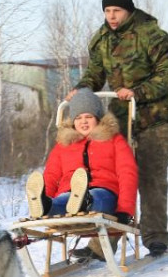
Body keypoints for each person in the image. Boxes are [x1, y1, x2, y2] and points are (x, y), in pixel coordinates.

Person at [68, 0, 168, 258]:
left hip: (155, 120)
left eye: (116, 10)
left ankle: (155, 238)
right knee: (114, 179)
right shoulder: (102, 40)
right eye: (107, 11)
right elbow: (95, 72)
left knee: (151, 180)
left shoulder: (152, 35)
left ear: (128, 10)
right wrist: (82, 89)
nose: (111, 16)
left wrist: (138, 92)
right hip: (121, 120)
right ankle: (102, 244)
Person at [25, 87, 138, 223]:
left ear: (98, 118)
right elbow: (51, 176)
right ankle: (46, 205)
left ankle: (85, 202)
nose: (83, 121)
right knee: (62, 200)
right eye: (78, 118)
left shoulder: (114, 140)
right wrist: (47, 195)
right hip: (70, 192)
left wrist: (125, 210)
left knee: (96, 197)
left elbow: (127, 174)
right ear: (73, 121)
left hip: (105, 192)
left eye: (88, 117)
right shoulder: (64, 145)